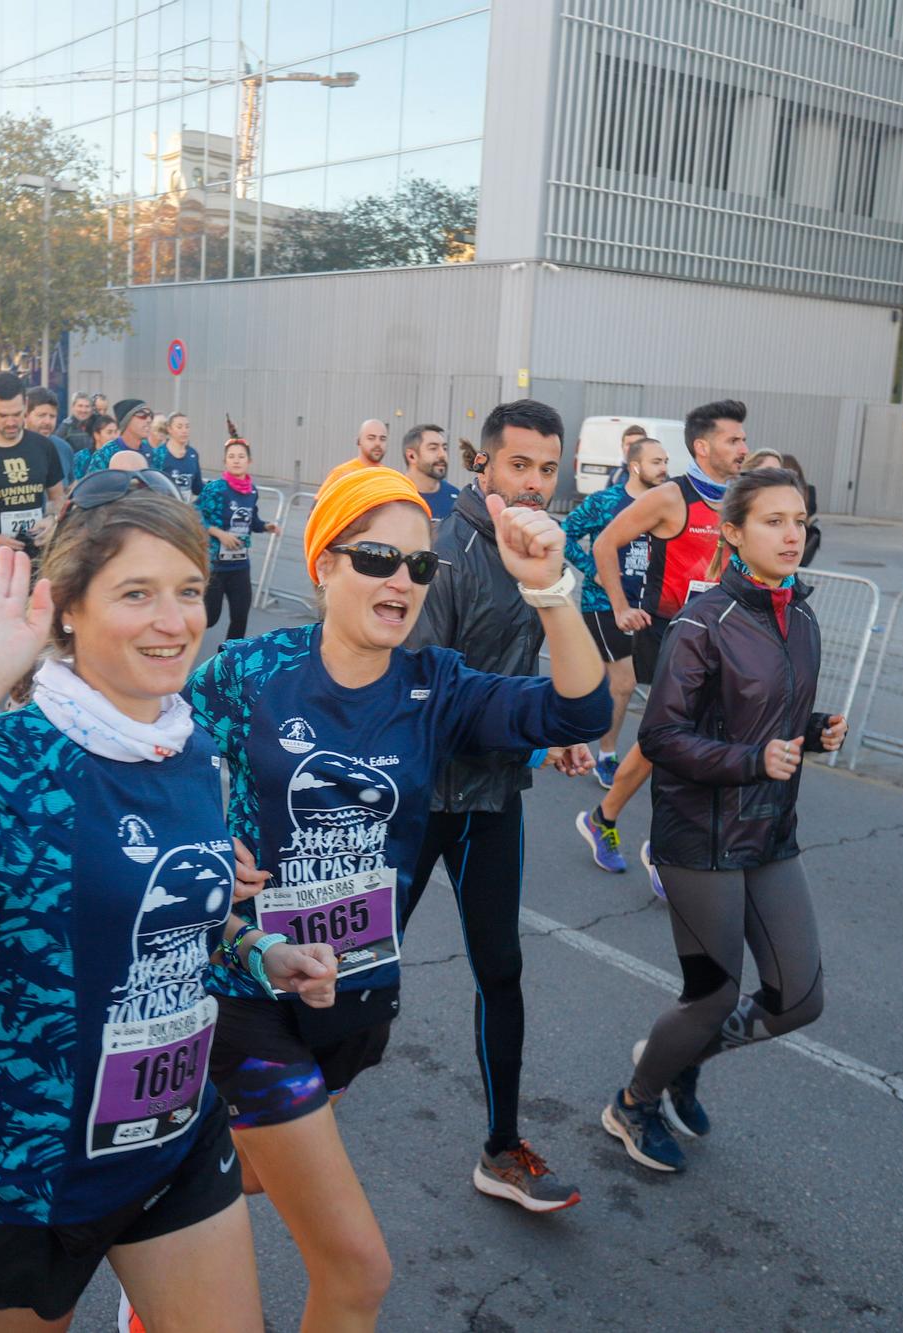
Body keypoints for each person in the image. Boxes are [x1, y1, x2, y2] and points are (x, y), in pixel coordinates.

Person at [0, 487, 337, 1329]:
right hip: (26, 1168)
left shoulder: (188, 742)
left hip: (172, 1138)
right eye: (136, 593)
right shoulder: (6, 758)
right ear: (67, 613)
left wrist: (253, 948)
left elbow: (154, 909)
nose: (176, 619)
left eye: (188, 590)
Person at [188, 464, 609, 1328]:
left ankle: (157, 1225)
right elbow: (161, 757)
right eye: (379, 556)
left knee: (251, 1169)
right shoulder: (249, 670)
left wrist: (553, 592)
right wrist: (201, 844)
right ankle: (166, 1266)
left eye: (421, 566)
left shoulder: (436, 684)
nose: (403, 580)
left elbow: (578, 714)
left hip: (355, 992)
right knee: (358, 1269)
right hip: (248, 990)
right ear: (324, 564)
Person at [607, 466, 843, 1175]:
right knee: (711, 998)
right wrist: (751, 759)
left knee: (800, 999)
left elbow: (771, 713)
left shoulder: (800, 614)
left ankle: (679, 1055)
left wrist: (815, 726)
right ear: (733, 534)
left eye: (799, 519)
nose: (791, 532)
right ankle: (635, 1100)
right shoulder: (702, 622)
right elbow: (660, 737)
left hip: (771, 828)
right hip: (699, 837)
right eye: (773, 520)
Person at [399, 399, 598, 1211]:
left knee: (501, 969)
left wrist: (554, 725)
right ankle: (277, 1112)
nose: (536, 482)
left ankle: (501, 1147)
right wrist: (527, 719)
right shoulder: (443, 553)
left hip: (491, 796)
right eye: (520, 464)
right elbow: (424, 693)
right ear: (484, 466)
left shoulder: (544, 551)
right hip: (414, 801)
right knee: (351, 974)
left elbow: (559, 657)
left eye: (548, 468)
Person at [575, 400, 750, 886]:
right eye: (733, 440)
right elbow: (606, 543)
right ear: (702, 446)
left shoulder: (739, 499)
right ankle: (657, 843)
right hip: (672, 635)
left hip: (722, 636)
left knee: (678, 742)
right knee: (675, 740)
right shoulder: (672, 497)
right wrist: (618, 605)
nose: (743, 448)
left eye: (743, 439)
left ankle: (608, 821)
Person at [564, 429, 671, 796]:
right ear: (635, 466)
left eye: (667, 461)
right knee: (623, 683)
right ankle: (607, 755)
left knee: (623, 683)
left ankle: (567, 721)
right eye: (657, 461)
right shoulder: (605, 501)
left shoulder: (665, 506)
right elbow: (566, 533)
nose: (664, 468)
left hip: (647, 608)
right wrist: (590, 568)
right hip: (603, 603)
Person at [0, 371, 66, 555]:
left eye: (17, 414)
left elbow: (58, 497)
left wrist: (52, 519)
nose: (11, 422)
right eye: (2, 415)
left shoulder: (43, 446)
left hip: (35, 558)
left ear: (26, 405)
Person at [195, 435, 279, 646]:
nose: (236, 460)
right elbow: (195, 513)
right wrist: (219, 533)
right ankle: (181, 635)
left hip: (240, 564)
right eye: (231, 456)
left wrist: (264, 526)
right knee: (211, 617)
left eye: (241, 456)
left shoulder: (252, 490)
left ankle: (227, 664)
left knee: (240, 617)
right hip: (216, 565)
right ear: (225, 461)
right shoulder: (217, 488)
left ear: (249, 461)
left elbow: (251, 520)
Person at [78, 398, 153, 479]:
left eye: (150, 415)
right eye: (142, 415)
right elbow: (94, 486)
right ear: (126, 421)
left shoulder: (151, 452)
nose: (149, 420)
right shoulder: (105, 454)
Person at [401, 424, 456, 525]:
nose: (442, 454)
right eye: (433, 448)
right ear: (411, 456)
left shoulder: (456, 501)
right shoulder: (394, 497)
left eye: (444, 448)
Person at [22, 385, 75, 485]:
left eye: (52, 416)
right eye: (41, 415)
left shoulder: (64, 448)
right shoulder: (12, 448)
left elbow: (70, 486)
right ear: (25, 415)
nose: (47, 421)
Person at [150, 410, 203, 502]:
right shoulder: (158, 454)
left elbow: (197, 487)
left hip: (184, 510)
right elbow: (151, 487)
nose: (184, 431)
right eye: (179, 427)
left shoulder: (193, 454)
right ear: (169, 429)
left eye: (187, 427)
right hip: (165, 509)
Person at [323, 419, 390, 488]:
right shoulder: (341, 474)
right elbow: (324, 499)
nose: (378, 443)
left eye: (382, 439)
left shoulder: (389, 477)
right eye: (371, 438)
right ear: (359, 441)